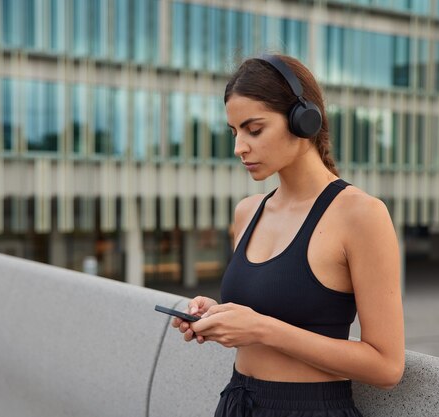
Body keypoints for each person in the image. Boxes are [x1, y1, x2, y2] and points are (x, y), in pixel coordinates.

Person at [172, 54, 405, 417]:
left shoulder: (361, 214)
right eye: (234, 132)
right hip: (236, 403)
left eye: (254, 129)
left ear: (303, 120)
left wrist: (261, 329)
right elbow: (269, 307)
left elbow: (387, 367)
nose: (239, 148)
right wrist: (218, 316)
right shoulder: (247, 211)